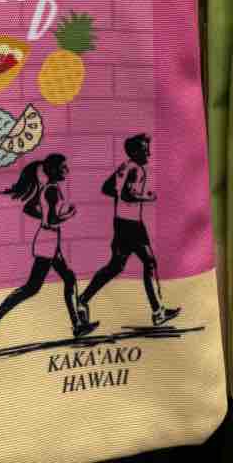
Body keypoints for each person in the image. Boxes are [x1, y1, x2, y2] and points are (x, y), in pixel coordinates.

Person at [0, 153, 99, 348]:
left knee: (66, 278)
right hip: (48, 242)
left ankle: (78, 325)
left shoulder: (49, 188)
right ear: (52, 170)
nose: (67, 171)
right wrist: (68, 215)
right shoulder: (52, 190)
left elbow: (30, 208)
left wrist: (46, 216)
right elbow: (51, 220)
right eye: (63, 167)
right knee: (33, 288)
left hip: (49, 240)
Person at [78, 133, 181, 327]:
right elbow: (127, 195)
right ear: (134, 152)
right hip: (131, 225)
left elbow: (107, 188)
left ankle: (82, 299)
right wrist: (147, 198)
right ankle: (158, 312)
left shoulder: (125, 166)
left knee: (116, 266)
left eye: (148, 149)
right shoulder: (136, 169)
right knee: (148, 262)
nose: (149, 153)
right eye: (144, 150)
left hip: (122, 223)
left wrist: (123, 196)